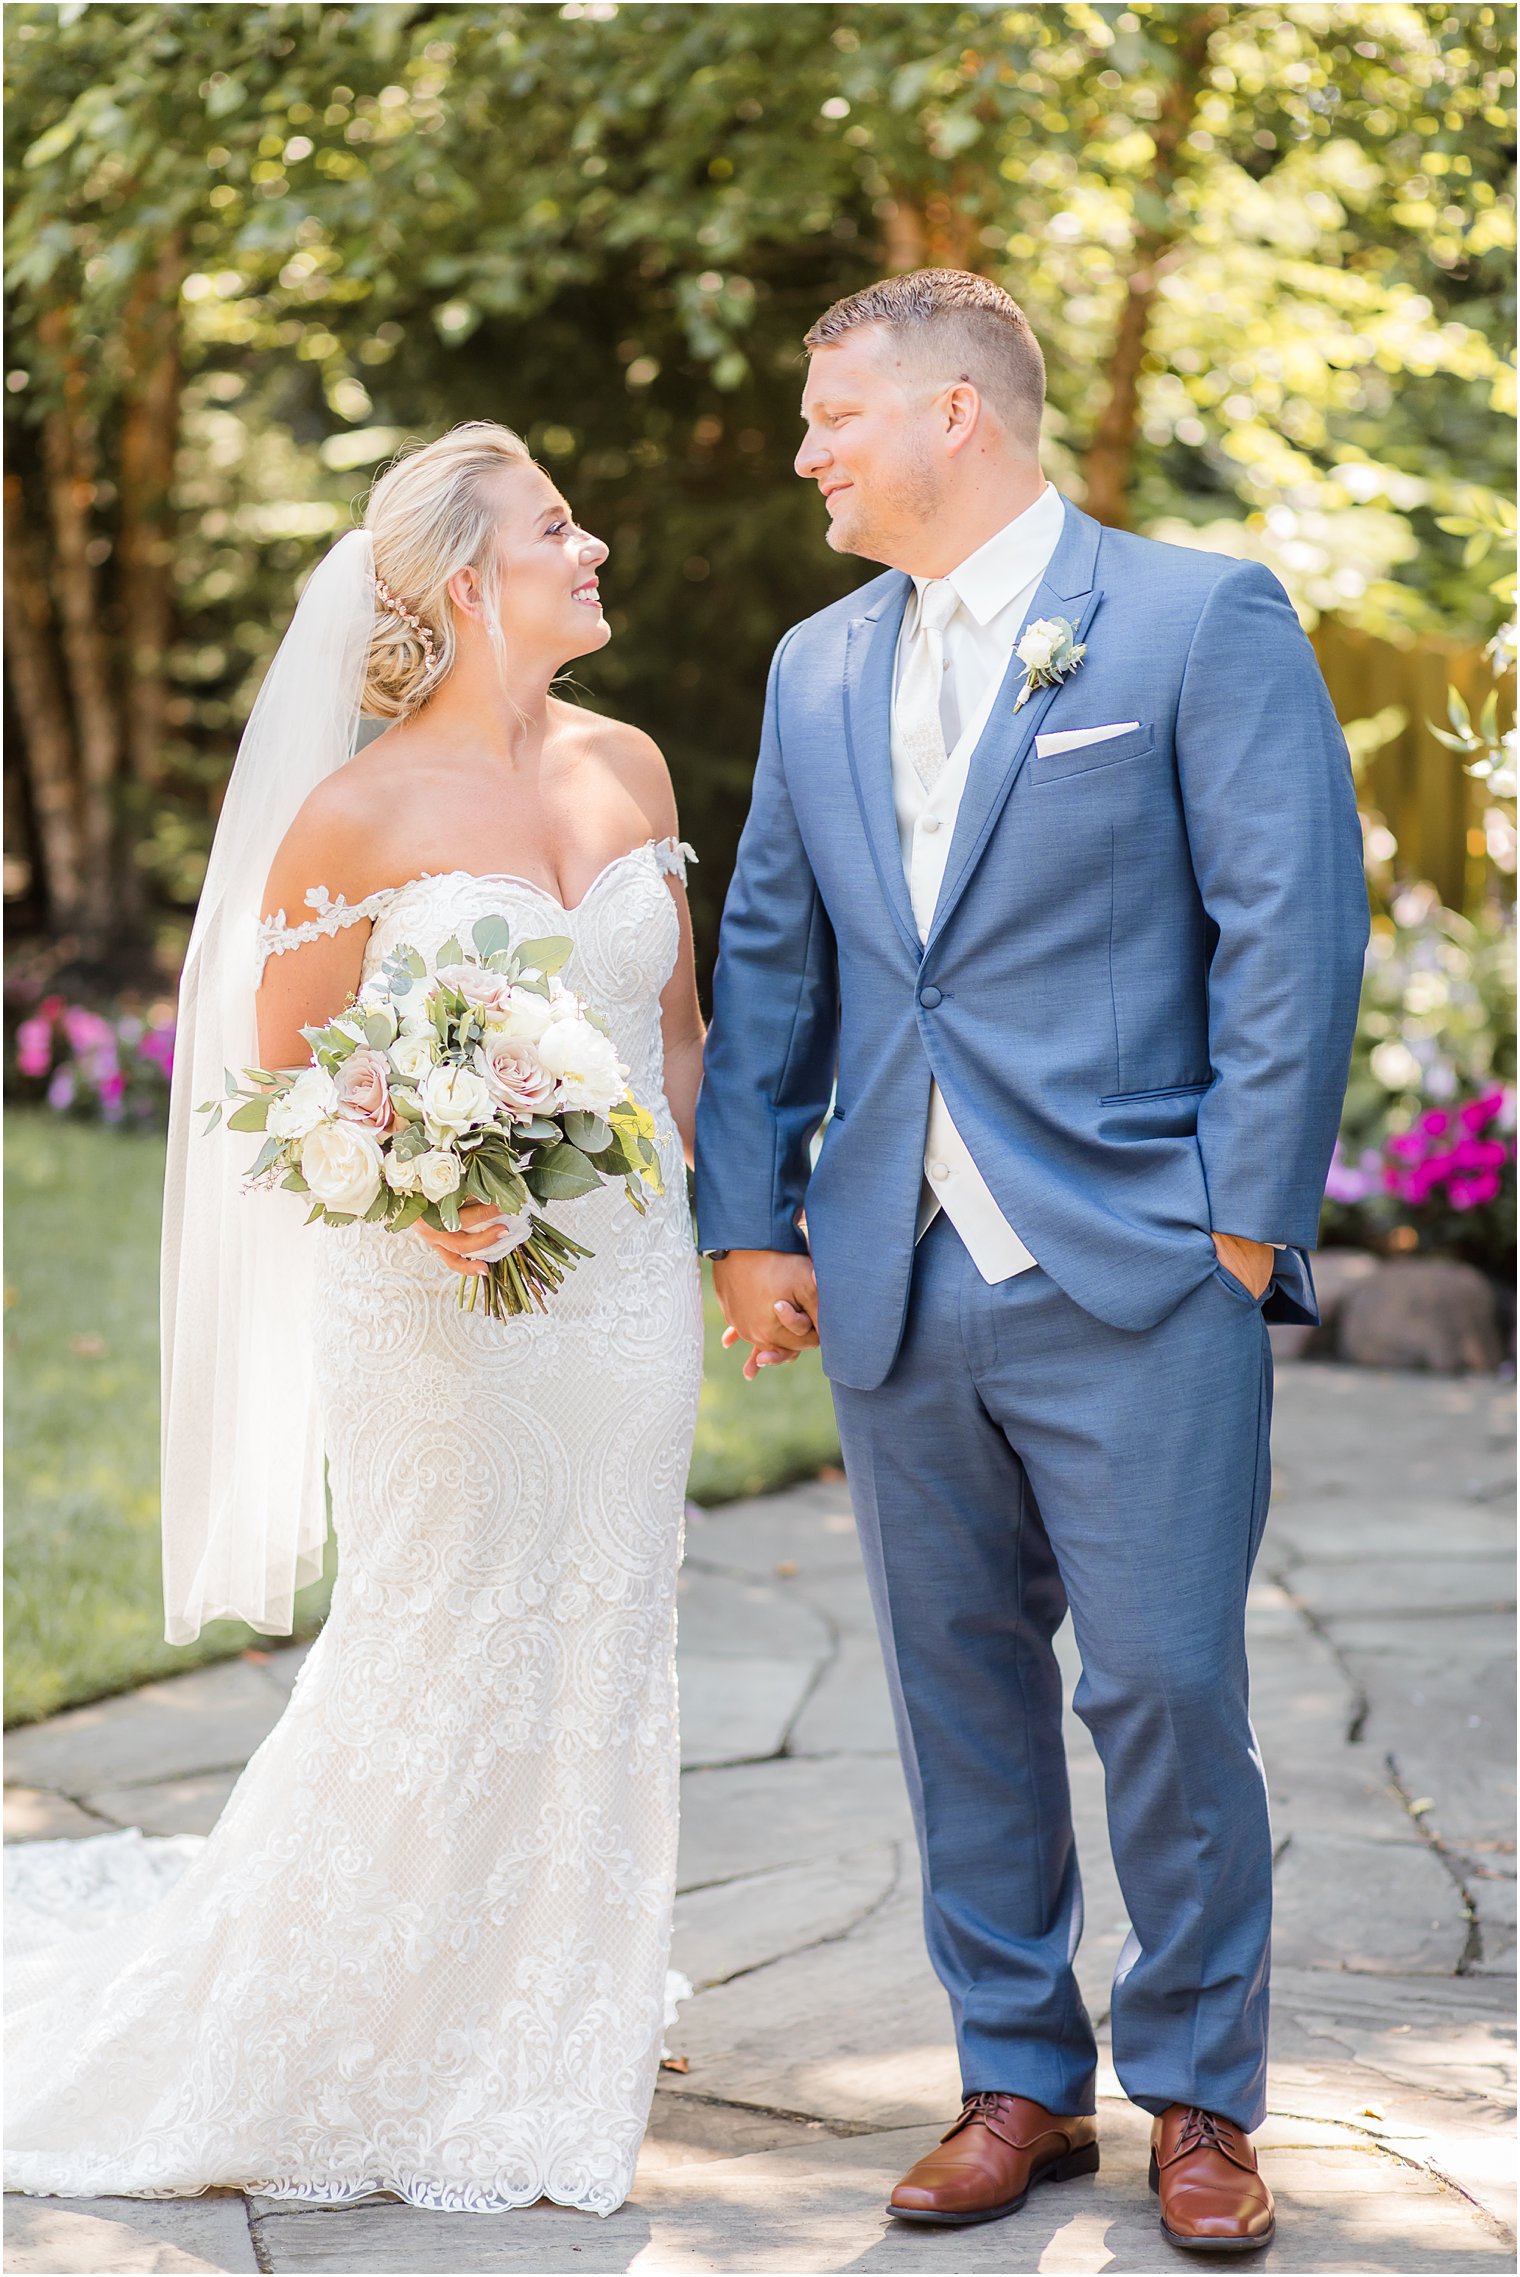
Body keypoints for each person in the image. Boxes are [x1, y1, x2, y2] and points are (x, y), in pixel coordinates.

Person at [696, 270, 1368, 2253]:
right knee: (952, 1686)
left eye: (833, 417)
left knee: (1164, 1684)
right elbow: (769, 953)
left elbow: (1288, 926)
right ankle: (1012, 2077)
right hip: (891, 1267)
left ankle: (1200, 2097)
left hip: (1141, 1257)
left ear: (956, 417)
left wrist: (1240, 1218)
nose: (806, 451)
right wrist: (749, 1216)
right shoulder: (813, 665)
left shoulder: (1192, 617)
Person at [5, 422, 705, 2216]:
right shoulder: (355, 815)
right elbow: (288, 1078)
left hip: (625, 1295)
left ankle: (559, 1994)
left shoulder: (633, 767)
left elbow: (676, 1033)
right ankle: (345, 2013)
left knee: (608, 1627)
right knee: (439, 1630)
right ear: (470, 581)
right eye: (562, 523)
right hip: (438, 1304)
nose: (596, 541)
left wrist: (712, 1235)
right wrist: (433, 1183)